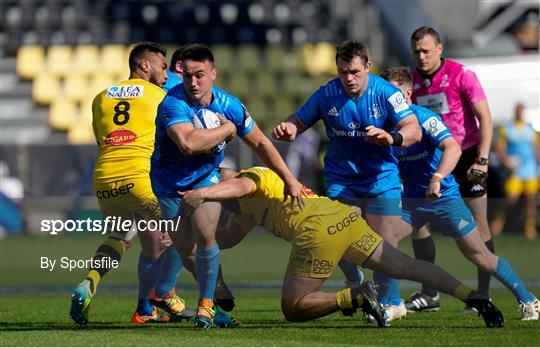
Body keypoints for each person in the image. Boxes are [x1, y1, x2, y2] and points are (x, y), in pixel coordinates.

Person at [179, 166, 505, 328]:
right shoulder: (243, 213)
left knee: (293, 308)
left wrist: (204, 193)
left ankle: (355, 295)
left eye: (216, 188)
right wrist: (183, 236)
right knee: (407, 267)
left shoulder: (251, 177)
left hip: (318, 231)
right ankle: (474, 297)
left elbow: (240, 183)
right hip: (341, 219)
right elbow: (223, 240)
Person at [150, 43, 304, 329]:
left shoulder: (230, 104)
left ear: (213, 74)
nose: (193, 82)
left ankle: (205, 306)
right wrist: (226, 130)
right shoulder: (172, 103)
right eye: (187, 76)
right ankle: (222, 295)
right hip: (168, 183)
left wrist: (289, 179)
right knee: (186, 250)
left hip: (205, 177)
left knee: (206, 236)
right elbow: (188, 144)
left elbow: (260, 143)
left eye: (200, 75)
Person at [272, 40, 421, 314]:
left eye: (354, 72)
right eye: (343, 72)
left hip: (381, 179)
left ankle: (389, 303)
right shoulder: (327, 94)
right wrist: (290, 128)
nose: (348, 78)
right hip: (342, 181)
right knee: (336, 238)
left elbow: (413, 129)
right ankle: (355, 280)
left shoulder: (387, 93)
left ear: (368, 67)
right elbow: (300, 119)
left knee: (384, 247)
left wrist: (391, 136)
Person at [380, 67, 539, 321]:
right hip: (412, 202)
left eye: (392, 92)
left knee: (480, 256)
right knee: (384, 242)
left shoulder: (424, 118)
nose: (386, 99)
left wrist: (437, 178)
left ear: (408, 94)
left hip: (444, 199)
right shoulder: (384, 126)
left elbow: (452, 149)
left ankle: (527, 298)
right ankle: (393, 303)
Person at [70, 43, 196, 325]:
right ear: (145, 66)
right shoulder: (161, 96)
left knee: (121, 237)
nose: (166, 75)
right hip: (140, 176)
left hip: (104, 178)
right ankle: (162, 298)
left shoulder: (100, 98)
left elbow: (101, 140)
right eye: (163, 68)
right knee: (178, 232)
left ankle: (88, 282)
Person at [409, 26, 496, 312]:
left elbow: (485, 118)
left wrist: (482, 159)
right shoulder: (410, 83)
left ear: (440, 48)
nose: (421, 56)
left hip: (466, 155)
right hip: (430, 161)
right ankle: (429, 293)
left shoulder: (462, 75)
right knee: (418, 223)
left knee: (478, 224)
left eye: (426, 50)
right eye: (416, 51)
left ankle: (483, 295)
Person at [491, 102, 539, 240]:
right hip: (516, 170)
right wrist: (506, 161)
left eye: (521, 111)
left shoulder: (530, 129)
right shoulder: (507, 128)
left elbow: (536, 149)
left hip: (530, 169)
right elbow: (500, 149)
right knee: (510, 198)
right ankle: (498, 223)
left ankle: (530, 227)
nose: (520, 113)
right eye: (518, 111)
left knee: (531, 199)